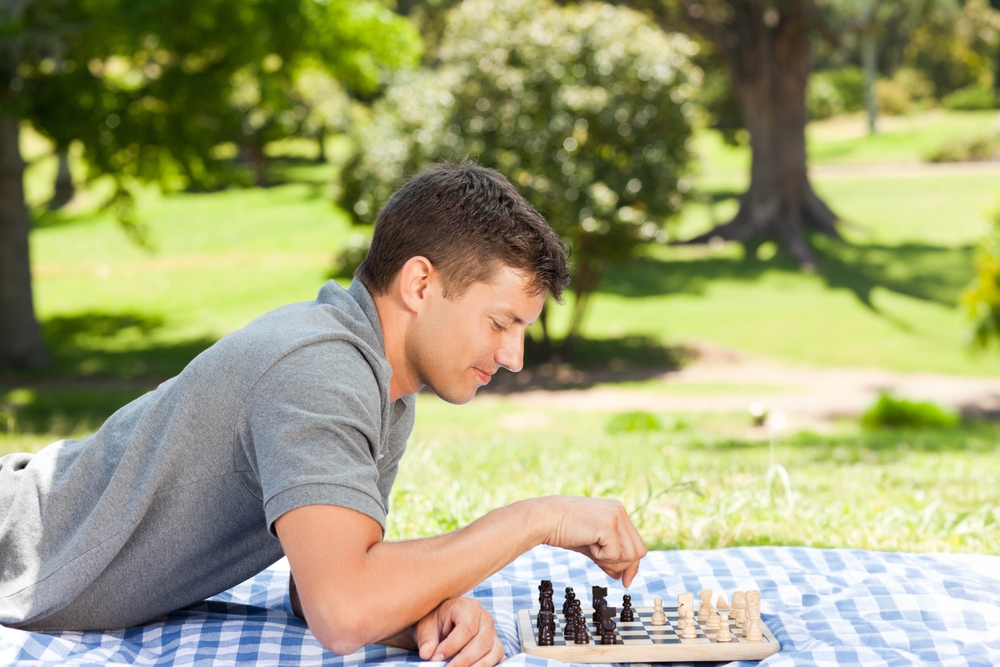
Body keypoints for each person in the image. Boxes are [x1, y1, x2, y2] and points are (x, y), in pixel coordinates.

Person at [0, 161, 646, 666]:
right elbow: (343, 610)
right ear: (420, 284)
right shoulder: (321, 371)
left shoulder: (380, 385)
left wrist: (428, 610)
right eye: (502, 322)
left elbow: (325, 585)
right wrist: (538, 517)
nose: (514, 355)